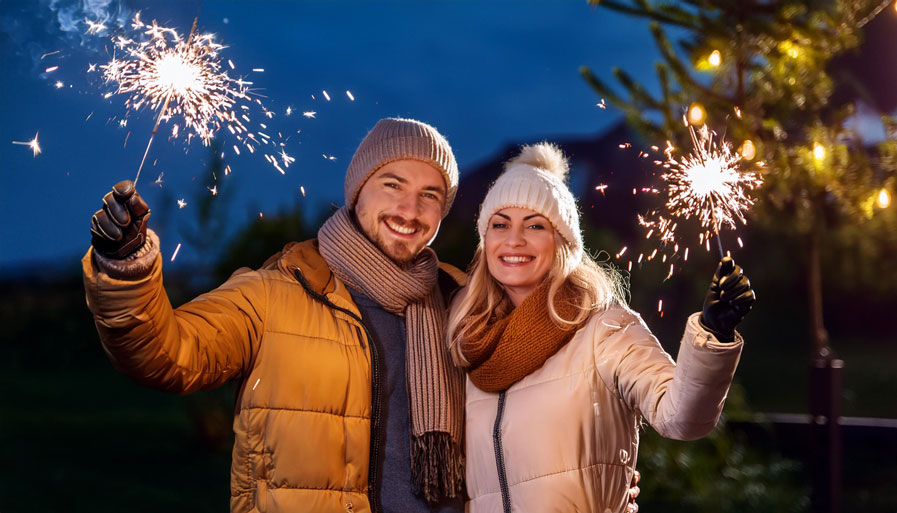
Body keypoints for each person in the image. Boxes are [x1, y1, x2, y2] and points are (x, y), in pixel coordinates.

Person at [83, 118, 469, 513]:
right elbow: (166, 354)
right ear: (357, 192)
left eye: (430, 195)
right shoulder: (273, 294)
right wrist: (126, 267)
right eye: (393, 185)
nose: (410, 210)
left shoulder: (464, 303)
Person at [446, 142, 755, 513]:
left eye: (535, 225)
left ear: (563, 242)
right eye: (500, 224)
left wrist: (712, 335)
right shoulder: (467, 339)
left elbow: (681, 417)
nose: (514, 240)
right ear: (486, 241)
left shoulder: (603, 326)